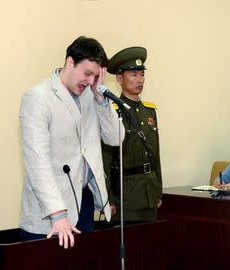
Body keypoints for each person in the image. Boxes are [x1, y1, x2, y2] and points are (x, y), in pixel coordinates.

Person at [19, 36, 122, 248]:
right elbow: (38, 163)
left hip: (83, 203)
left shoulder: (90, 95)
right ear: (69, 62)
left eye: (96, 76)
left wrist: (101, 100)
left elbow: (115, 137)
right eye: (87, 73)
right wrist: (58, 214)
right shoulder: (38, 97)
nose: (91, 81)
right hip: (49, 211)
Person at [102, 46, 162, 221]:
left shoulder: (149, 111)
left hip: (149, 191)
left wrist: (158, 190)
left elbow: (156, 155)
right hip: (125, 195)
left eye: (142, 74)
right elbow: (106, 160)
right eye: (134, 75)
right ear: (120, 79)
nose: (140, 79)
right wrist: (108, 199)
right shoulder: (112, 112)